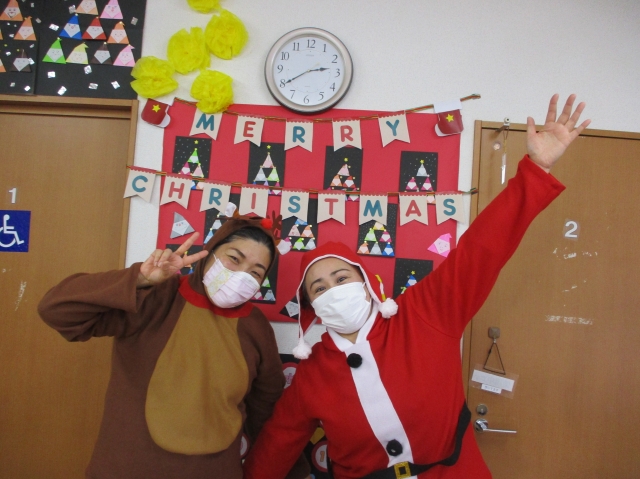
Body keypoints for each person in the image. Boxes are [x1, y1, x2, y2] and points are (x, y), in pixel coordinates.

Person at [242, 94, 590, 479]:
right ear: (311, 305)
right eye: (319, 288)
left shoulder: (425, 313)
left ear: (366, 284)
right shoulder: (311, 376)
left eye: (341, 278)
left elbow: (481, 249)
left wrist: (536, 171)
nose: (333, 291)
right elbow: (276, 444)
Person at [38, 214, 309, 479]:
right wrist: (140, 279)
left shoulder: (256, 327)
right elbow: (57, 311)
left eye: (255, 272)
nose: (241, 275)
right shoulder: (157, 297)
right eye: (234, 259)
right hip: (125, 468)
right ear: (210, 252)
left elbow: (268, 413)